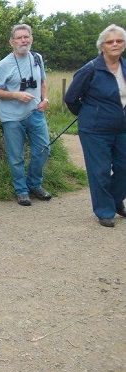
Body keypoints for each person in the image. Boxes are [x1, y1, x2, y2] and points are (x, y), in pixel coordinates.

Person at [64, 24, 126, 228]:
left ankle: (115, 200)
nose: (115, 44)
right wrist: (89, 114)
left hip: (122, 128)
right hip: (94, 130)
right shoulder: (90, 69)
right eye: (110, 41)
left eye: (119, 40)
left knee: (124, 167)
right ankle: (104, 211)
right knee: (99, 171)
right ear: (102, 46)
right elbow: (71, 98)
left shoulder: (125, 68)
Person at [0, 24, 52, 206]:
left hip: (35, 112)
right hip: (12, 117)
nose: (23, 40)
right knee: (16, 156)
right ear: (11, 42)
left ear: (31, 39)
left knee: (43, 149)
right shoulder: (4, 64)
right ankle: (21, 190)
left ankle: (34, 184)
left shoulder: (37, 58)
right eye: (19, 38)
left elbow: (42, 83)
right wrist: (16, 94)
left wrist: (45, 100)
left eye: (26, 37)